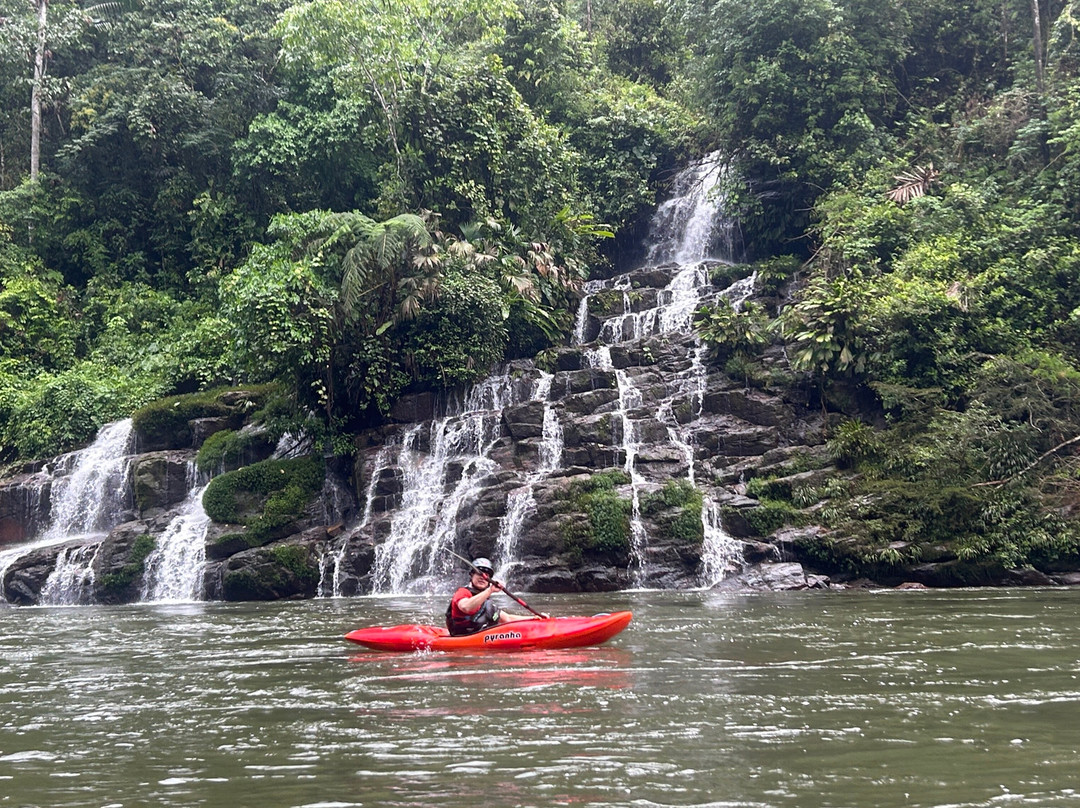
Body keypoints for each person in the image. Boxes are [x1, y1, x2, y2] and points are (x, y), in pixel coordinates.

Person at [445, 557, 539, 636]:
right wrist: (490, 590)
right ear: (471, 575)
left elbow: (507, 618)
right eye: (480, 573)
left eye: (487, 575)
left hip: (478, 635)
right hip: (461, 636)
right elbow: (466, 607)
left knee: (489, 606)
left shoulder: (486, 601)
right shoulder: (462, 592)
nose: (483, 577)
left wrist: (535, 618)